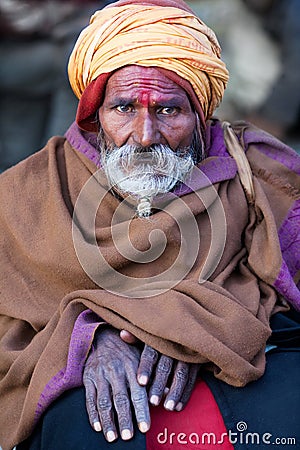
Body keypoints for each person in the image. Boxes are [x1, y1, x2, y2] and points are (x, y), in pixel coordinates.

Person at [0, 1, 299, 449]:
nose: (143, 135)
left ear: (201, 115)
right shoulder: (25, 194)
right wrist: (82, 340)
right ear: (92, 113)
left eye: (167, 111)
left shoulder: (262, 176)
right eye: (123, 108)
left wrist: (184, 329)